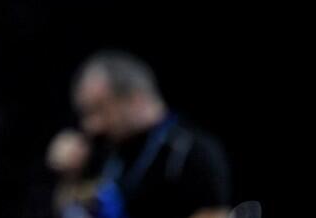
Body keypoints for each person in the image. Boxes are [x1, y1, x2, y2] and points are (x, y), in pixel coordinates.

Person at [46, 51, 231, 218]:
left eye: (100, 109)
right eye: (87, 113)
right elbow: (72, 209)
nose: (91, 125)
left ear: (136, 98)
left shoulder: (190, 152)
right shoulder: (106, 150)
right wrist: (69, 176)